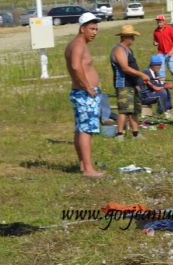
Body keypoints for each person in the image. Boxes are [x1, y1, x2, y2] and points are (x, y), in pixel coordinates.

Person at [64, 12, 104, 177]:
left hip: (82, 92)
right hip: (84, 93)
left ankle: (83, 165)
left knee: (81, 129)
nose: (95, 32)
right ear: (82, 29)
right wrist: (87, 86)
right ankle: (88, 169)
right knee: (86, 130)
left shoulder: (77, 44)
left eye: (96, 29)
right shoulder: (78, 44)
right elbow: (75, 66)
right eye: (92, 29)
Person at [111, 25, 152, 139]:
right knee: (124, 110)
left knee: (134, 110)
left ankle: (135, 133)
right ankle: (119, 134)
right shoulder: (119, 49)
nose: (133, 39)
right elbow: (125, 68)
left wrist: (138, 81)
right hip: (123, 83)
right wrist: (141, 74)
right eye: (132, 37)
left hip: (132, 83)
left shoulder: (128, 49)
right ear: (126, 37)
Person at [153, 15, 173, 82]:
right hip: (161, 53)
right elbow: (155, 41)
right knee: (161, 69)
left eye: (160, 22)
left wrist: (172, 51)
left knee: (172, 69)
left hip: (170, 52)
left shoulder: (170, 28)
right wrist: (155, 43)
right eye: (158, 22)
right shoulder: (155, 31)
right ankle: (162, 82)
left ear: (164, 21)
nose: (159, 23)